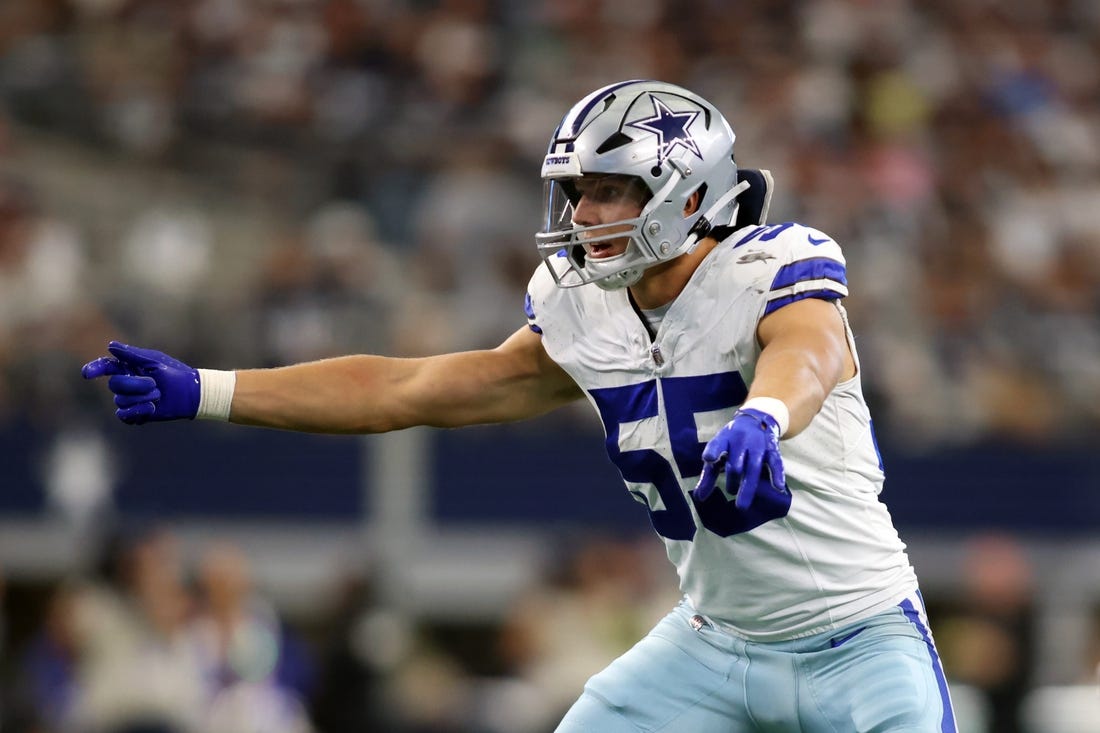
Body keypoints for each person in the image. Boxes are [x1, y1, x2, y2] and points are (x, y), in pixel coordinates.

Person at [83, 79, 957, 731]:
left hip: (861, 637)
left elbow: (812, 348)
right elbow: (409, 387)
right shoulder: (582, 307)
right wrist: (211, 390)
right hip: (713, 644)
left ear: (691, 195)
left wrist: (766, 417)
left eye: (613, 189)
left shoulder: (772, 263)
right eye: (580, 191)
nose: (587, 212)